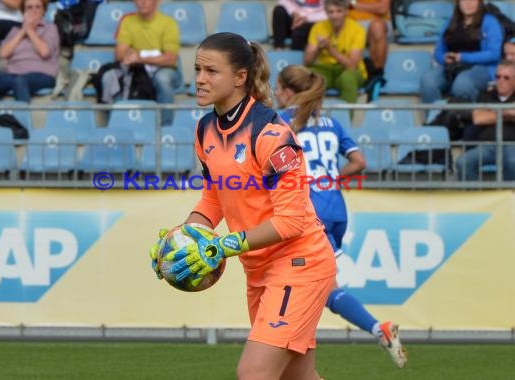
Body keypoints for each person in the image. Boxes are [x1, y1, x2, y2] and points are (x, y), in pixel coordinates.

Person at [150, 32, 337, 380]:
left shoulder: (271, 135)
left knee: (254, 374)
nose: (200, 79)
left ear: (240, 78)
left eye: (211, 71)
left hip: (300, 263)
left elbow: (292, 222)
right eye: (197, 70)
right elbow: (213, 198)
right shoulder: (205, 129)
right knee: (295, 377)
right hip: (260, 270)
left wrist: (221, 245)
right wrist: (180, 239)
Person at [275, 64, 407, 368]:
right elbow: (359, 162)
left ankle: (290, 344)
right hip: (335, 208)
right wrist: (331, 177)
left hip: (307, 210)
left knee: (305, 281)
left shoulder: (282, 123)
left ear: (287, 91)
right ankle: (376, 330)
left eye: (278, 88)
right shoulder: (332, 124)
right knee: (320, 284)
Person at [106, 0, 181, 125]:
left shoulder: (168, 23)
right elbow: (119, 54)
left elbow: (170, 59)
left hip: (165, 69)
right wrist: (155, 56)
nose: (142, 2)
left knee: (162, 78)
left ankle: (165, 128)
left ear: (156, 2)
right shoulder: (128, 22)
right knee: (111, 77)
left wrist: (139, 56)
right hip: (138, 69)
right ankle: (116, 126)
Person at [419, 0, 503, 105]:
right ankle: (436, 117)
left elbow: (494, 54)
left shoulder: (490, 22)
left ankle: (465, 119)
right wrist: (443, 57)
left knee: (462, 84)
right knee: (428, 81)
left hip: (481, 68)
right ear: (458, 3)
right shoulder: (450, 23)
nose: (468, 3)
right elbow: (438, 52)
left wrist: (463, 57)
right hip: (452, 67)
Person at [0, 0, 58, 102]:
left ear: (44, 11)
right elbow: (3, 54)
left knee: (20, 80)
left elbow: (44, 52)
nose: (33, 11)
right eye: (29, 8)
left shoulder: (50, 28)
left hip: (42, 75)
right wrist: (23, 31)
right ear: (23, 12)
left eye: (37, 7)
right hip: (13, 74)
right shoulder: (15, 30)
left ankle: (22, 117)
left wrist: (30, 31)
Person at [456, 60, 515, 181]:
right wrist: (507, 113)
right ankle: (479, 196)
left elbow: (485, 117)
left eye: (506, 78)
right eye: (497, 77)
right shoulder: (485, 95)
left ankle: (507, 196)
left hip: (512, 146)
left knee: (513, 162)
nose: (500, 81)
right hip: (487, 146)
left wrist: (492, 114)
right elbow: (478, 119)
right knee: (462, 162)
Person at [304, 0, 367, 104]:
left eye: (339, 11)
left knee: (348, 79)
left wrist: (330, 49)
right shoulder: (318, 27)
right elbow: (307, 62)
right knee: (308, 77)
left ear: (346, 12)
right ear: (326, 12)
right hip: (326, 68)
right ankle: (309, 117)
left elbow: (352, 66)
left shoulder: (358, 29)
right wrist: (318, 48)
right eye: (331, 12)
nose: (335, 16)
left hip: (349, 70)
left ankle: (346, 119)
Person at [347, 0, 390, 79]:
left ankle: (376, 75)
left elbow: (382, 9)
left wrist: (353, 4)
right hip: (349, 22)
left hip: (377, 22)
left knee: (377, 27)